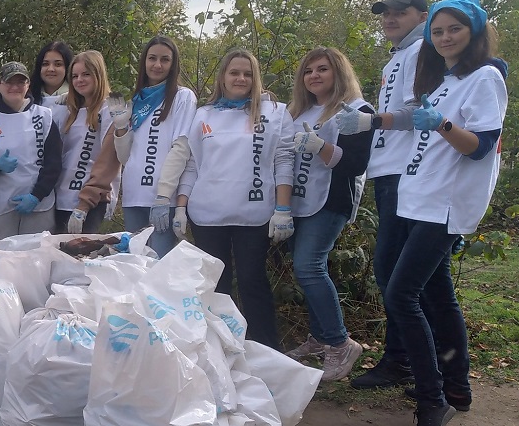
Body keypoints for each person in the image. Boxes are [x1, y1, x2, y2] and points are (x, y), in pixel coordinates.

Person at [367, 0, 506, 426]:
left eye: (454, 29)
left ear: (475, 32)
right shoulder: (445, 80)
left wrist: (441, 124)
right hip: (417, 198)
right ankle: (457, 389)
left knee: (401, 294)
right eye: (439, 32)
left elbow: (480, 146)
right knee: (437, 295)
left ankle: (432, 399)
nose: (445, 38)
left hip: (444, 205)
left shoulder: (486, 78)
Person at [169, 49, 295, 350]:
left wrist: (283, 209)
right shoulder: (203, 115)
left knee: (253, 281)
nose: (241, 78)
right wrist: (180, 207)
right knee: (215, 285)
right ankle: (219, 348)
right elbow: (192, 165)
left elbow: (283, 160)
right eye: (234, 72)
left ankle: (265, 350)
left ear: (256, 78)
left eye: (247, 73)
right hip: (207, 214)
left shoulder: (274, 112)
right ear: (222, 77)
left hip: (254, 213)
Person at [340, 0, 428, 390]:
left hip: (407, 171)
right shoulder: (400, 55)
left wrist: (372, 122)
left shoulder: (422, 51)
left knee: (397, 272)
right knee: (395, 269)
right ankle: (407, 358)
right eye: (385, 13)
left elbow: (423, 114)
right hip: (390, 169)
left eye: (400, 12)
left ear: (421, 15)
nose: (389, 19)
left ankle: (404, 360)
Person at [282, 47, 373, 381]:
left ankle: (340, 343)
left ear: (339, 72)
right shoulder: (299, 111)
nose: (314, 76)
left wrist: (321, 147)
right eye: (308, 71)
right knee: (305, 269)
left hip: (330, 201)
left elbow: (355, 164)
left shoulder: (355, 110)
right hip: (297, 202)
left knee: (309, 266)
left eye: (322, 69)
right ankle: (321, 337)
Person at [112, 36, 199, 256]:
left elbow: (181, 147)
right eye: (152, 58)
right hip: (134, 196)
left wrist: (163, 195)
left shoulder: (182, 97)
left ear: (173, 64)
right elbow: (125, 158)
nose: (157, 65)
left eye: (165, 60)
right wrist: (121, 128)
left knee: (158, 263)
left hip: (162, 198)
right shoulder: (136, 100)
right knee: (135, 265)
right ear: (144, 62)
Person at [0, 61, 63, 244]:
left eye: (20, 82)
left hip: (39, 204)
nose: (14, 87)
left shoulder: (44, 116)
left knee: (37, 261)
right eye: (9, 82)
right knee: (0, 261)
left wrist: (37, 195)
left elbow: (54, 163)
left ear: (28, 85)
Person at [55, 50, 115, 234]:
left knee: (81, 258)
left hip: (90, 202)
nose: (79, 80)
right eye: (74, 76)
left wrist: (84, 205)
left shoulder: (109, 109)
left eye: (86, 74)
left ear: (98, 74)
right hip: (61, 199)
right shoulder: (68, 111)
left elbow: (109, 161)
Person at [31, 41, 72, 106]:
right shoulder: (27, 97)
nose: (50, 69)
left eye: (58, 64)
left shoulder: (78, 97)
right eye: (45, 64)